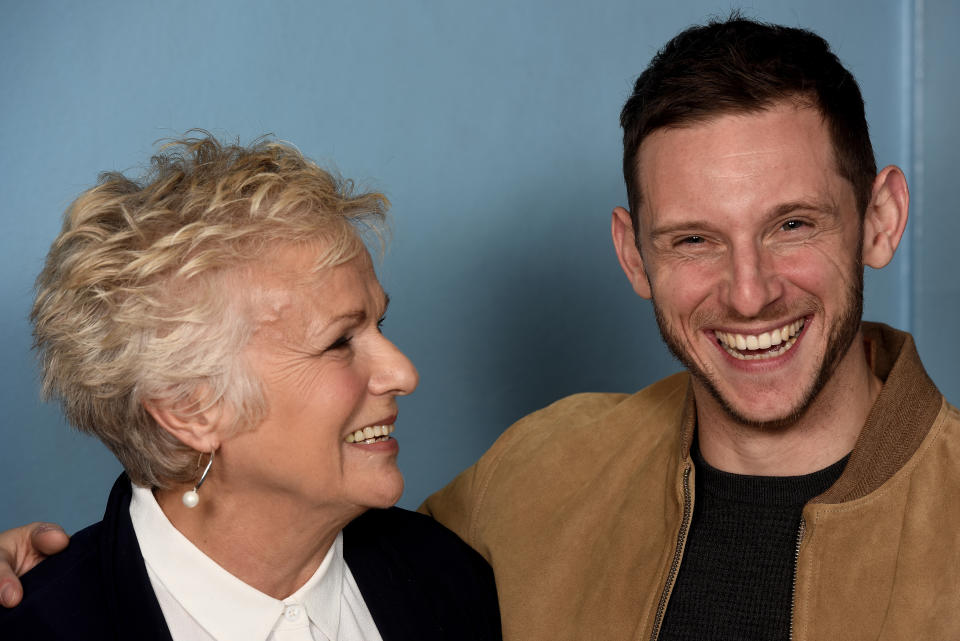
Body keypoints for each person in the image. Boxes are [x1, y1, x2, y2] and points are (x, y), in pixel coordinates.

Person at [3, 14, 959, 641]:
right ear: (634, 255)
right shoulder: (533, 484)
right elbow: (242, 533)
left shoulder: (436, 576)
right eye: (695, 239)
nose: (748, 294)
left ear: (881, 219)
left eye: (794, 225)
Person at [0, 133, 501, 640]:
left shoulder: (449, 576)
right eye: (338, 342)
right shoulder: (41, 625)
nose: (403, 372)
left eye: (379, 325)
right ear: (190, 409)